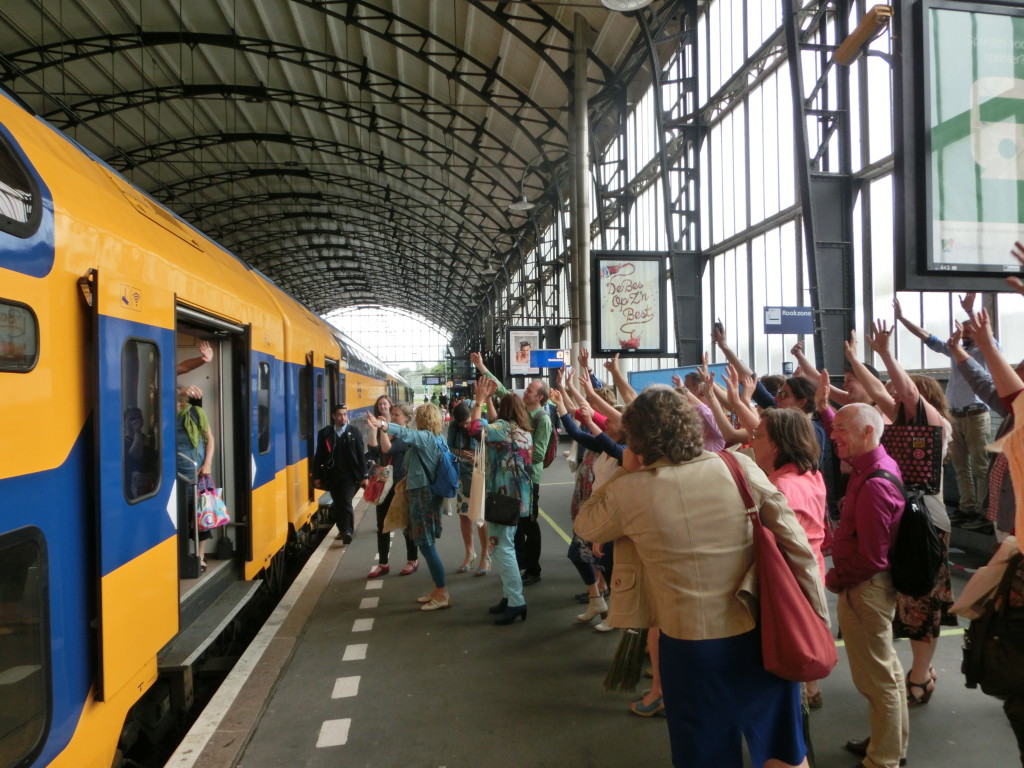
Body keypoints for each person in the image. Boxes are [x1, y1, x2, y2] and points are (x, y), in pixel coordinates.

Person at [576, 386, 826, 768]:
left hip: (689, 645)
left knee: (704, 753)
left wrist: (623, 471)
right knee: (783, 747)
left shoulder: (630, 491)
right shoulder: (737, 466)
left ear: (639, 437)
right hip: (761, 631)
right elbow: (799, 550)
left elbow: (586, 524)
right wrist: (817, 623)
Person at [861, 320, 957, 708]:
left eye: (895, 392)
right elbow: (876, 390)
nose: (889, 396)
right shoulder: (901, 422)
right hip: (910, 520)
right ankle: (921, 671)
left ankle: (920, 676)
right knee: (911, 601)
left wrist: (885, 352)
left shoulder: (934, 423)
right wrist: (855, 359)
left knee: (921, 602)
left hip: (927, 523)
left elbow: (908, 390)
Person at [824, 403, 909, 768]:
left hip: (866, 589)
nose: (833, 434)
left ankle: (885, 757)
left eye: (842, 428)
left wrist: (834, 578)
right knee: (886, 671)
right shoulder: (872, 466)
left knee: (877, 680)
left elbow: (872, 557)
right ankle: (890, 744)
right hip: (869, 586)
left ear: (868, 433)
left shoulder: (873, 483)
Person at [893, 294, 993, 530]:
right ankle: (967, 508)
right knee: (960, 465)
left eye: (969, 332)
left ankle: (986, 512)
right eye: (963, 332)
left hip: (976, 414)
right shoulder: (954, 350)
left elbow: (986, 338)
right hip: (957, 415)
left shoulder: (986, 350)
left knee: (981, 465)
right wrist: (902, 318)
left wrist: (970, 312)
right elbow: (928, 337)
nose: (965, 335)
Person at [750, 407, 828, 709]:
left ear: (777, 445)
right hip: (810, 573)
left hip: (788, 581)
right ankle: (810, 689)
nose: (751, 441)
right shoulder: (811, 475)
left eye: (758, 436)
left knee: (789, 646)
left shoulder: (780, 488)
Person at [470, 351, 552, 586]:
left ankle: (533, 569)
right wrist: (482, 366)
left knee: (529, 523)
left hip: (528, 478)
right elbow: (503, 391)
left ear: (540, 398)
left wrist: (515, 452)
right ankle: (521, 565)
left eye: (529, 391)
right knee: (517, 525)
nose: (524, 392)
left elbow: (539, 454)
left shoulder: (542, 420)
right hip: (516, 476)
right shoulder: (522, 413)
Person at [367, 404, 451, 611]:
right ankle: (437, 589)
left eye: (417, 418)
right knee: (424, 543)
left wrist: (383, 425)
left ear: (423, 420)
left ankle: (442, 593)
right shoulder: (437, 439)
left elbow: (404, 433)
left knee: (427, 545)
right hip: (423, 496)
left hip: (423, 497)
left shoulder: (426, 438)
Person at [467, 377, 533, 625]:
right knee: (508, 546)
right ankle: (508, 596)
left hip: (502, 498)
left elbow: (475, 429)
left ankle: (516, 602)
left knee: (503, 548)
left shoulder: (503, 429)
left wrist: (480, 401)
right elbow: (492, 426)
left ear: (504, 412)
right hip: (519, 499)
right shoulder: (524, 432)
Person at [365, 397, 418, 578]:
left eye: (397, 415)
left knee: (405, 524)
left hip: (401, 485)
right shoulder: (391, 433)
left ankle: (412, 559)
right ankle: (383, 563)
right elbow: (375, 451)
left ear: (406, 418)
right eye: (393, 414)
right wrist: (374, 430)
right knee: (382, 525)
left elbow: (388, 450)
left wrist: (382, 428)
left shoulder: (406, 434)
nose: (393, 417)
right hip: (385, 485)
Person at [313, 404, 368, 545]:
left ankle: (348, 531)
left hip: (350, 475)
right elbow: (318, 456)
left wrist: (365, 476)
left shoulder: (354, 432)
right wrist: (317, 476)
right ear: (333, 416)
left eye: (345, 414)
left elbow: (361, 455)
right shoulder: (325, 434)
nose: (343, 417)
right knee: (337, 504)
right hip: (332, 475)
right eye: (339, 415)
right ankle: (342, 528)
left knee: (346, 501)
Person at [176, 385, 215, 573]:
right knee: (180, 516)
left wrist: (207, 464)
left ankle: (200, 555)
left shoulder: (196, 412)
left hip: (197, 471)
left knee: (201, 514)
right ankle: (180, 555)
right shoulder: (161, 414)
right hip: (175, 474)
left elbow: (210, 440)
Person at [448, 401, 489, 574]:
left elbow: (490, 449)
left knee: (480, 517)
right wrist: (459, 452)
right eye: (462, 424)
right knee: (464, 516)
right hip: (462, 475)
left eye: (467, 422)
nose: (465, 427)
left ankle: (485, 555)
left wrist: (478, 459)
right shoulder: (453, 426)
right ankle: (469, 553)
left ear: (473, 416)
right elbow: (449, 447)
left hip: (479, 475)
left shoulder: (483, 424)